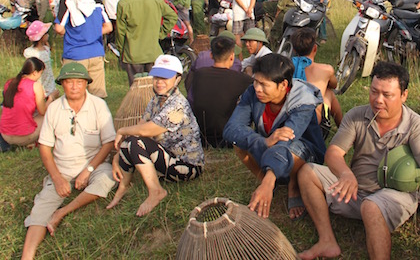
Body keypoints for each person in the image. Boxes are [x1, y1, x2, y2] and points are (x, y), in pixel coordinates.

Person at [297, 62, 420, 260]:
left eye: (387, 95)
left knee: (371, 206)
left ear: (404, 95)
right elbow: (333, 152)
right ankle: (327, 240)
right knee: (307, 172)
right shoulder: (357, 116)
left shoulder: (416, 124)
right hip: (354, 191)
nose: (378, 100)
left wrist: (404, 173)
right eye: (374, 91)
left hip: (393, 195)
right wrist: (345, 173)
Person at [21, 63, 116, 260]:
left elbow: (108, 142)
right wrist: (56, 178)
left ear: (86, 84)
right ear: (62, 84)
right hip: (62, 169)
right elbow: (45, 147)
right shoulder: (54, 108)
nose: (74, 86)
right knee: (40, 210)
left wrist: (88, 170)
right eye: (69, 82)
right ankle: (26, 256)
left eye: (79, 82)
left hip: (93, 166)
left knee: (107, 178)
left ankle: (62, 212)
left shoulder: (98, 105)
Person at [223, 53, 326, 220]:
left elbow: (287, 141)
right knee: (239, 143)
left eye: (263, 84)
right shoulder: (252, 94)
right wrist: (262, 141)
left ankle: (290, 185)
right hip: (270, 146)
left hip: (304, 150)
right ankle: (267, 180)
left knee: (292, 147)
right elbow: (231, 129)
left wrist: (268, 181)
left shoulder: (302, 101)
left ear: (283, 84)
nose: (257, 88)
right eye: (255, 81)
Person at [107, 55, 204, 216]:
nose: (160, 82)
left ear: (178, 79)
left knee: (135, 141)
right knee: (130, 141)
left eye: (166, 77)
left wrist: (121, 131)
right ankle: (123, 186)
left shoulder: (177, 104)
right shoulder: (156, 100)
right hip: (167, 157)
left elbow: (146, 130)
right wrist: (118, 154)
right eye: (157, 77)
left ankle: (156, 191)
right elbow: (140, 125)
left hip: (187, 166)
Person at [54, 0, 113, 98]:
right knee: (97, 95)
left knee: (75, 96)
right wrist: (91, 34)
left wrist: (73, 34)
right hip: (95, 54)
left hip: (74, 54)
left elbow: (59, 28)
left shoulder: (67, 0)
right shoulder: (95, 1)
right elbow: (108, 27)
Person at [115, 0, 178, 86]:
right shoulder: (155, 0)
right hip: (153, 52)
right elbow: (172, 16)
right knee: (155, 87)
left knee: (136, 89)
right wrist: (161, 33)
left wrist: (121, 49)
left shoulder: (123, 4)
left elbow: (120, 32)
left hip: (133, 54)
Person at [191, 35, 253, 147]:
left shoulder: (199, 74)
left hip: (200, 137)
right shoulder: (241, 79)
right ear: (232, 56)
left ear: (211, 55)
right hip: (228, 138)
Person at [291, 28, 342, 139]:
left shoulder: (286, 66)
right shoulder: (326, 70)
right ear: (315, 48)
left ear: (294, 49)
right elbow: (334, 85)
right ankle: (343, 130)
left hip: (287, 121)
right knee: (329, 93)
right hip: (314, 126)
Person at [0, 58, 53, 147]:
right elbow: (42, 111)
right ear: (35, 73)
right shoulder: (35, 85)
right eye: (41, 73)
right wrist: (51, 99)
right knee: (50, 112)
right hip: (23, 137)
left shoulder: (9, 83)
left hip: (5, 134)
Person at [24, 21, 58, 100]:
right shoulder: (31, 52)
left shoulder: (46, 49)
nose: (48, 35)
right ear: (42, 37)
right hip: (39, 81)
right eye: (46, 33)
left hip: (48, 80)